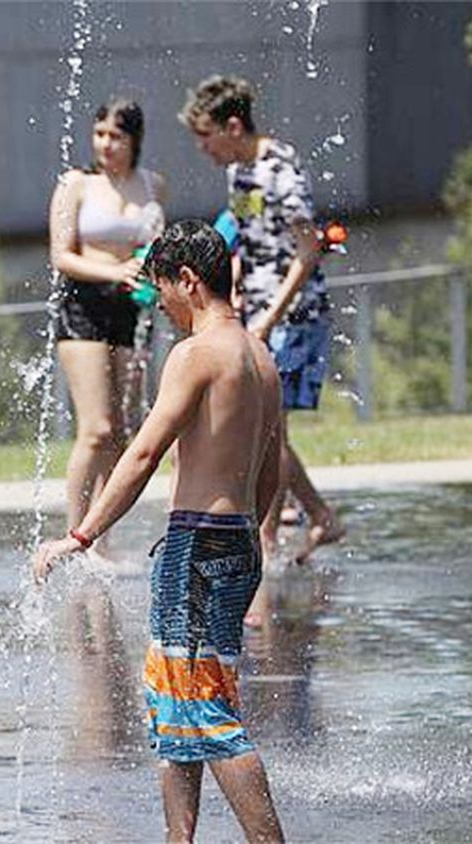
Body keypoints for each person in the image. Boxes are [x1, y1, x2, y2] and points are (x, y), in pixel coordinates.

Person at [34, 220, 286, 844]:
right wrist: (247, 533)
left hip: (198, 545)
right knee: (177, 701)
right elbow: (273, 464)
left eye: (161, 294)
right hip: (235, 542)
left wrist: (82, 534)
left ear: (189, 282)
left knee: (207, 710)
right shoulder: (259, 356)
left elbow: (144, 454)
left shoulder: (197, 354)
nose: (161, 308)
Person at [180, 73, 342, 566]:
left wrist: (270, 318)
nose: (202, 147)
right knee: (265, 428)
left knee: (270, 429)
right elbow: (246, 244)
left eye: (206, 135)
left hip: (293, 315)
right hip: (256, 312)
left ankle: (271, 541)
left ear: (233, 126)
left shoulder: (281, 170)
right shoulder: (238, 174)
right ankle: (314, 519)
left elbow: (308, 252)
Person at [49, 98, 167, 562]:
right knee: (95, 428)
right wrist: (115, 271)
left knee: (121, 430)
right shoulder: (76, 184)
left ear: (134, 139)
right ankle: (73, 534)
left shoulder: (153, 185)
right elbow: (61, 255)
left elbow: (154, 247)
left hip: (131, 308)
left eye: (115, 136)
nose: (105, 144)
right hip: (83, 306)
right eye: (99, 133)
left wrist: (143, 269)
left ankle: (103, 539)